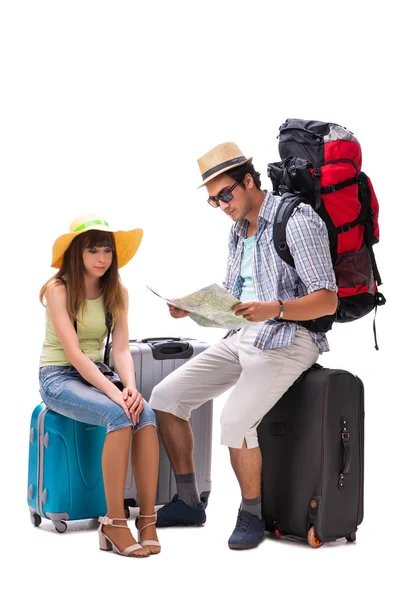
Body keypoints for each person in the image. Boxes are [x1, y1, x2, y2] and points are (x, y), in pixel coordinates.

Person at [149, 142, 338, 550]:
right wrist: (195, 309)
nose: (221, 206)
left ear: (249, 180)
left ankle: (251, 512)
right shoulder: (238, 231)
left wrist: (276, 308)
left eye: (226, 195)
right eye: (213, 200)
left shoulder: (296, 219)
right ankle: (187, 500)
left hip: (291, 337)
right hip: (242, 336)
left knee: (235, 422)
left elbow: (328, 299)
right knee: (165, 398)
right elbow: (236, 301)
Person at [39, 214, 161, 558]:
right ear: (78, 253)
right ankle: (114, 522)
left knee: (146, 415)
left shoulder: (116, 290)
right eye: (93, 250)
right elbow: (75, 354)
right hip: (59, 376)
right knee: (119, 415)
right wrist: (115, 394)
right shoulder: (58, 289)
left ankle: (148, 520)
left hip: (101, 374)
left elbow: (121, 348)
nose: (102, 258)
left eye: (107, 250)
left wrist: (131, 388)